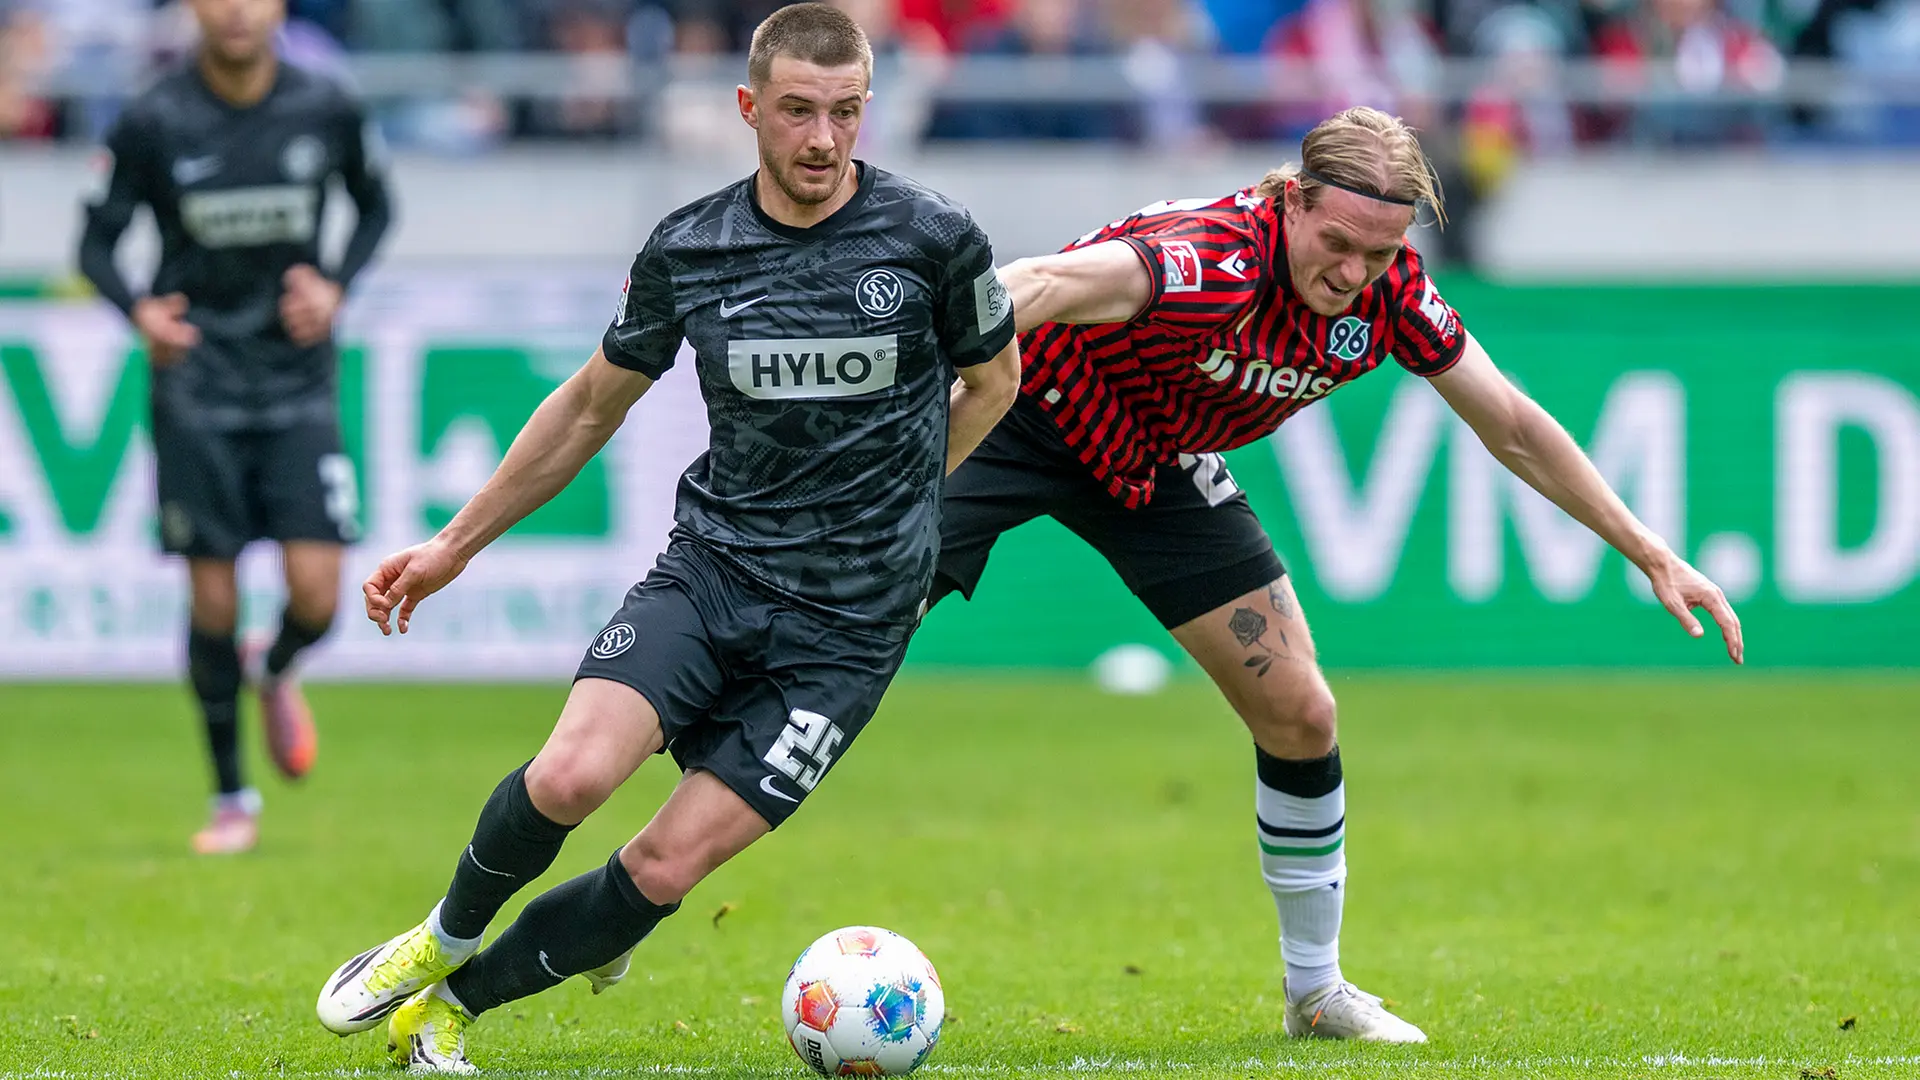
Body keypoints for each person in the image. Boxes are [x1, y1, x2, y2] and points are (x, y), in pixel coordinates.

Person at [929, 105, 1743, 1043]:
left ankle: (1316, 992)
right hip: (1026, 411)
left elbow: (1510, 424)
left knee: (1303, 712)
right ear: (1289, 199)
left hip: (1154, 464)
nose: (1353, 274)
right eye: (1339, 243)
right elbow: (1036, 281)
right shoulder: (1210, 257)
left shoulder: (1389, 290)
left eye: (1381, 251)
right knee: (843, 640)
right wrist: (909, 386)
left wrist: (1649, 550)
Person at [312, 4, 1020, 1072]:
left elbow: (994, 380)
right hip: (716, 573)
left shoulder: (934, 239)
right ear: (749, 109)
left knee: (662, 866)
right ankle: (438, 939)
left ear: (866, 109)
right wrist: (454, 546)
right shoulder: (692, 246)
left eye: (843, 113)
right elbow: (592, 405)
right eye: (795, 112)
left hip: (851, 631)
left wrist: (903, 499)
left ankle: (452, 1009)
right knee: (567, 780)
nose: (821, 140)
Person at [77, 0, 393, 856]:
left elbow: (374, 208)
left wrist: (335, 286)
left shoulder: (325, 106)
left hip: (296, 384)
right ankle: (231, 798)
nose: (235, 10)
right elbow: (95, 244)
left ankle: (278, 663)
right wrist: (139, 311)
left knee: (320, 598)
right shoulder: (153, 117)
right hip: (196, 386)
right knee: (211, 600)